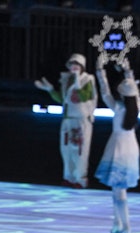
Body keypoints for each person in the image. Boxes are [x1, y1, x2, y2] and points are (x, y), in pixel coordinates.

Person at [95, 55, 140, 233]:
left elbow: (106, 92)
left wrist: (101, 72)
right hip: (129, 147)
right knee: (117, 190)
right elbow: (135, 92)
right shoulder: (137, 106)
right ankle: (118, 223)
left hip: (118, 148)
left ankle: (126, 227)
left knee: (119, 190)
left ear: (123, 94)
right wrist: (127, 70)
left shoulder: (119, 108)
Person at [34, 53, 97, 189]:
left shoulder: (87, 79)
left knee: (80, 150)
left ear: (82, 66)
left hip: (81, 119)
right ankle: (68, 176)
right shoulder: (66, 79)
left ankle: (80, 178)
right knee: (66, 149)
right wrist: (50, 90)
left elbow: (83, 96)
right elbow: (63, 99)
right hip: (68, 119)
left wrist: (76, 80)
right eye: (71, 64)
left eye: (76, 64)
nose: (73, 67)